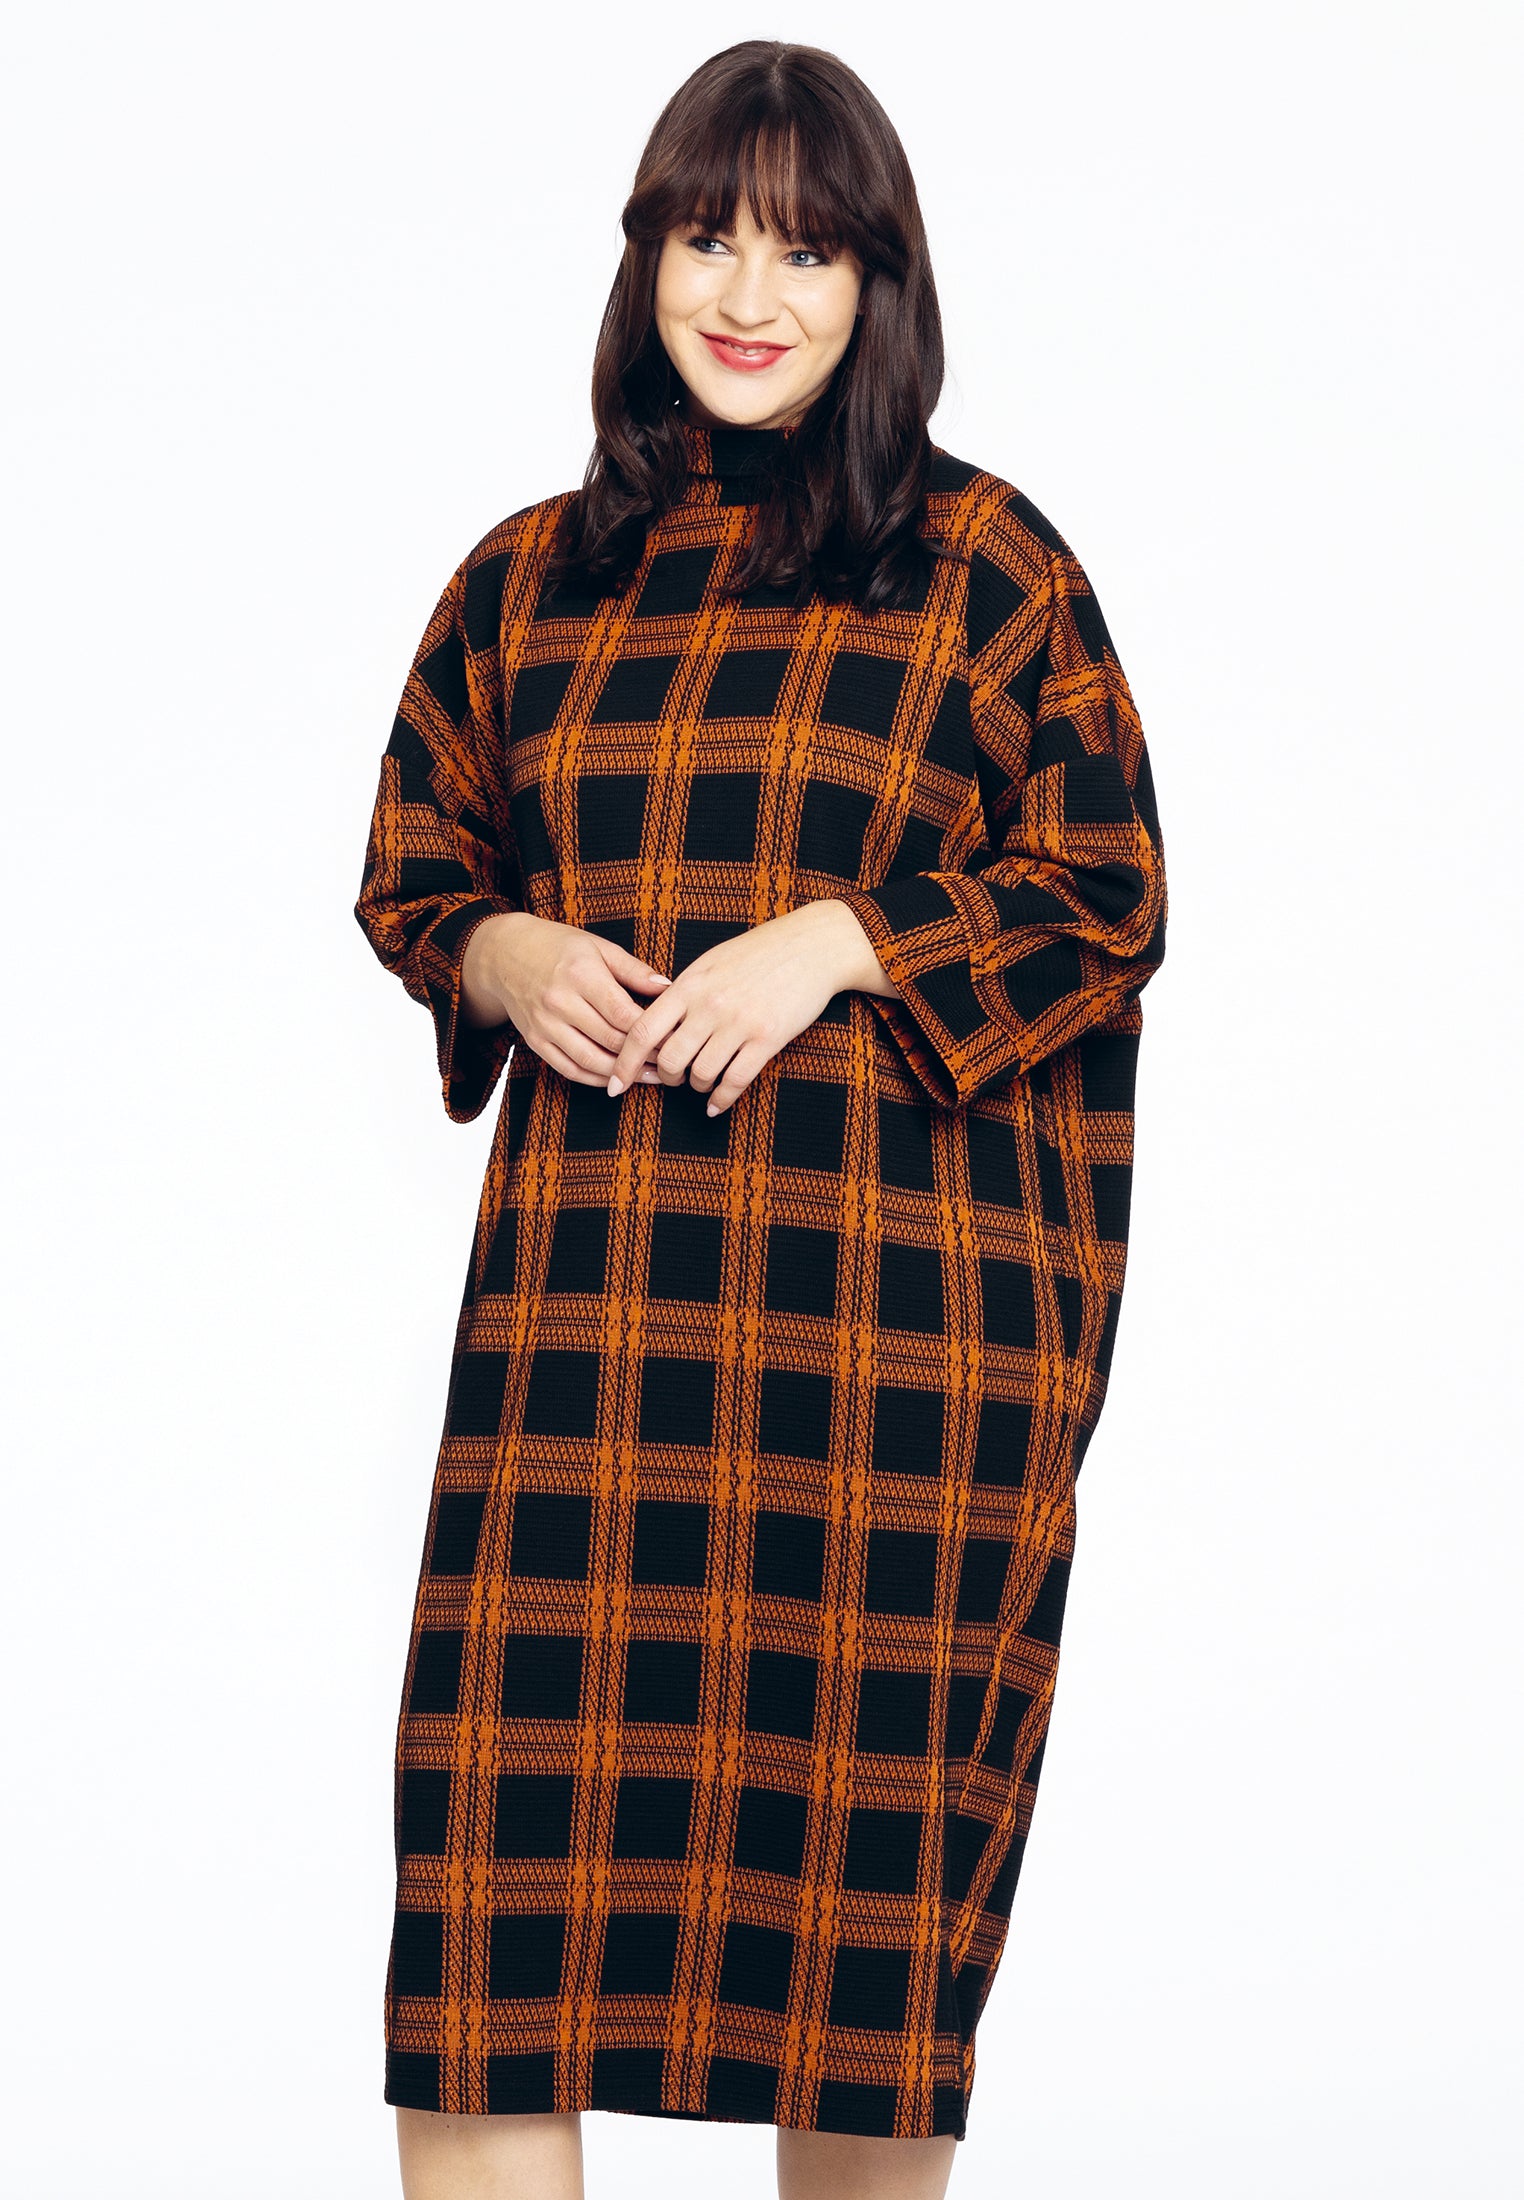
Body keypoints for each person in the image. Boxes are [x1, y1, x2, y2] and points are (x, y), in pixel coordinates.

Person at [353, 36, 1168, 2200]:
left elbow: (1108, 893)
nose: (747, 294)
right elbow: (419, 865)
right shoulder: (528, 582)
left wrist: (845, 939)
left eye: (805, 251)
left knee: (859, 1982)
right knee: (491, 1942)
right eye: (706, 237)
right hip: (589, 1355)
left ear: (878, 282)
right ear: (645, 262)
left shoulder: (988, 568)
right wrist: (500, 951)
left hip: (886, 1382)